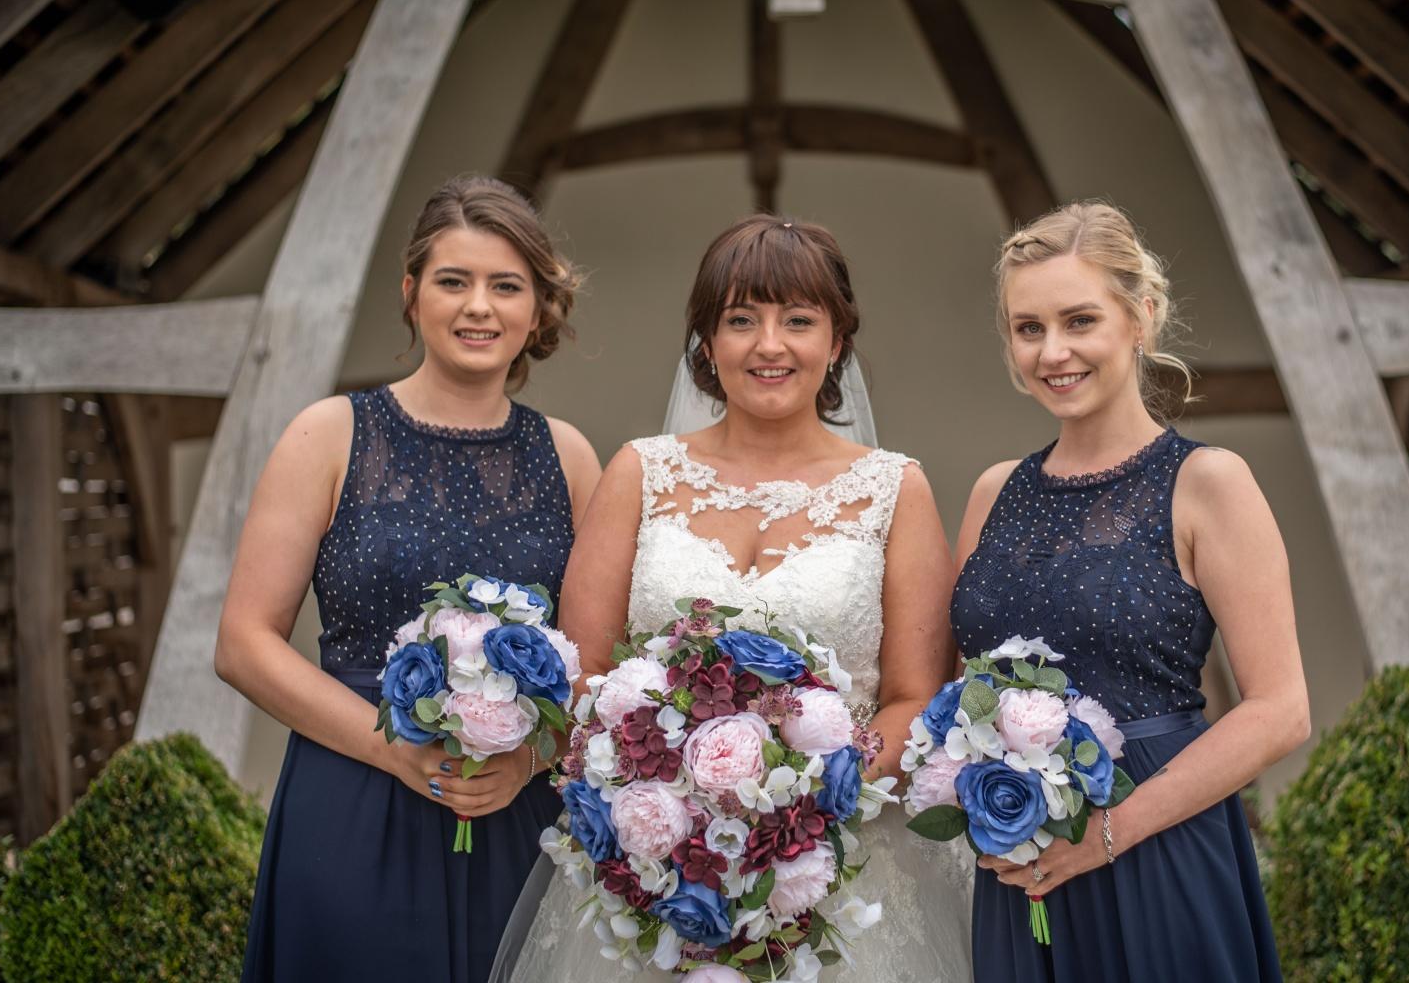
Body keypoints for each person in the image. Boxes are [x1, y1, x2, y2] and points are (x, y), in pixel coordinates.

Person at [502, 215, 973, 982]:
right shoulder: (639, 473)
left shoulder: (896, 488)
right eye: (741, 319)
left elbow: (915, 695)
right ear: (706, 342)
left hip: (841, 867)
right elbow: (583, 675)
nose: (769, 345)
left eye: (798, 320)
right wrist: (671, 806)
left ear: (837, 339)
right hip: (657, 867)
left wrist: (804, 804)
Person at [218, 175, 601, 983]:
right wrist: (392, 753)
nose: (479, 307)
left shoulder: (568, 457)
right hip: (354, 790)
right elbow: (245, 644)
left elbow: (599, 662)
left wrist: (526, 762)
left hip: (514, 811)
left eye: (506, 286)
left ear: (538, 309)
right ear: (411, 293)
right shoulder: (328, 434)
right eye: (453, 281)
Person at [951, 202, 1306, 981]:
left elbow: (1281, 709)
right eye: (1028, 328)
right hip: (1023, 865)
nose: (1054, 352)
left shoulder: (1208, 483)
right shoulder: (992, 492)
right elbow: (962, 686)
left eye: (1080, 320)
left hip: (1160, 849)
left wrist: (1108, 832)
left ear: (1140, 317)